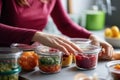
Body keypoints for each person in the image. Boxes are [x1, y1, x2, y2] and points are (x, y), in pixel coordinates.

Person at [0, 0, 113, 60]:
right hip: (5, 56)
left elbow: (65, 24)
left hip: (31, 56)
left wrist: (91, 36)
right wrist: (37, 35)